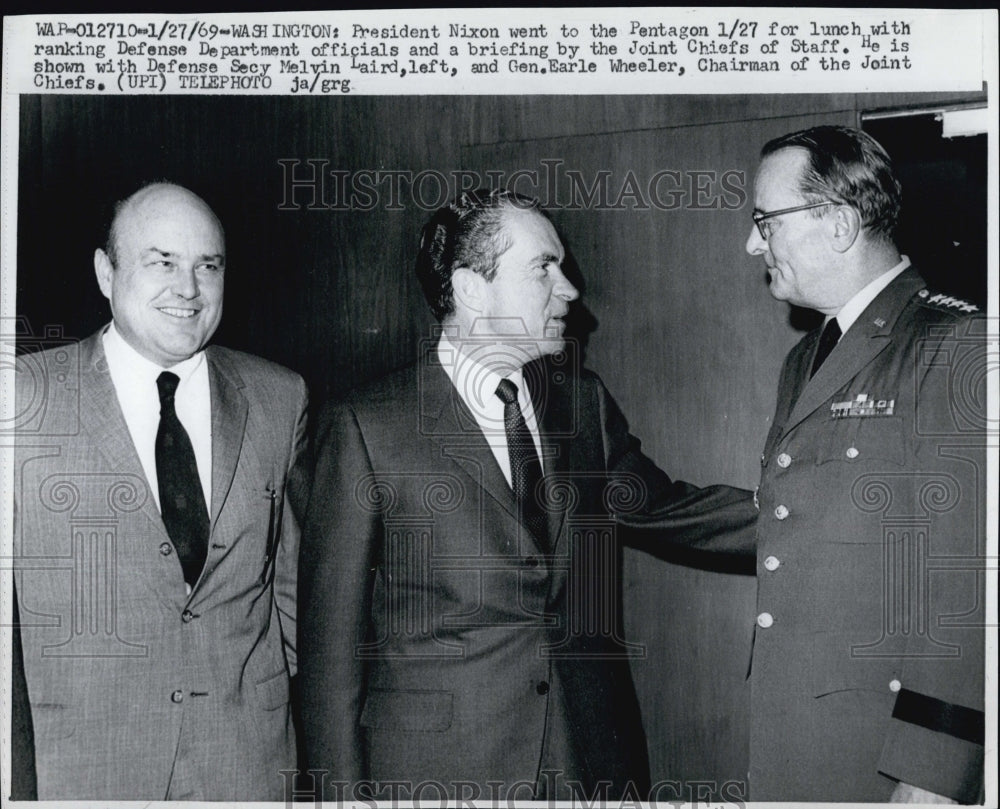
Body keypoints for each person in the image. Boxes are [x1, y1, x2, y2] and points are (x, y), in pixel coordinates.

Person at [299, 189, 757, 802]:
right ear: (470, 289)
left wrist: (812, 515)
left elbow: (670, 508)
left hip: (587, 756)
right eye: (544, 268)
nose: (569, 290)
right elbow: (330, 654)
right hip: (438, 771)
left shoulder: (582, 403)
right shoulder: (365, 425)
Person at [11, 182, 309, 800]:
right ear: (105, 271)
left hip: (245, 767)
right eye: (161, 262)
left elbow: (291, 594)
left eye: (208, 265)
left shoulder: (280, 397)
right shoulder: (23, 400)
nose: (189, 288)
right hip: (86, 770)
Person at [745, 126, 985, 802]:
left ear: (841, 223)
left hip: (884, 757)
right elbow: (792, 522)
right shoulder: (806, 357)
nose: (753, 243)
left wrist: (933, 774)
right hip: (797, 736)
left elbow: (964, 583)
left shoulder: (955, 342)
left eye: (766, 220)